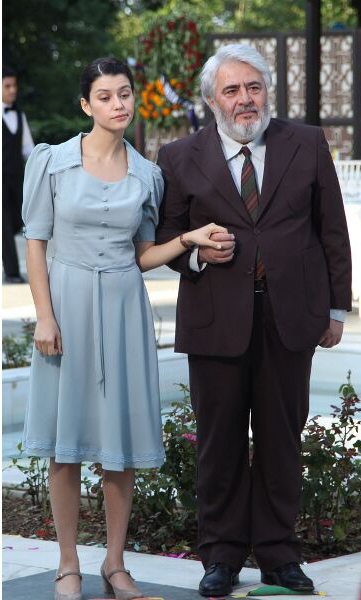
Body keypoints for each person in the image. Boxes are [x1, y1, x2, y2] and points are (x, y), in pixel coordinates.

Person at [21, 57, 231, 600]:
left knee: (121, 441)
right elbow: (36, 244)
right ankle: (68, 564)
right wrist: (45, 315)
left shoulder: (147, 175)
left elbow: (142, 255)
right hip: (66, 305)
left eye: (125, 94)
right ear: (86, 105)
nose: (118, 104)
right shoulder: (51, 163)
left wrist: (188, 240)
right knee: (65, 444)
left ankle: (115, 564)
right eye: (105, 96)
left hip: (123, 308)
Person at [156, 44, 352, 597]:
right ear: (211, 100)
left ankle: (278, 555)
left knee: (280, 441)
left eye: (254, 87)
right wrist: (196, 253)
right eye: (232, 90)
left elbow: (332, 229)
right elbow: (165, 239)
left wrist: (336, 309)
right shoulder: (178, 156)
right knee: (217, 444)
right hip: (215, 318)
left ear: (267, 91)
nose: (245, 99)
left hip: (290, 317)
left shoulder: (306, 143)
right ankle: (220, 557)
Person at [3, 65, 34, 283]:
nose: (12, 90)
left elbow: (28, 149)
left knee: (18, 220)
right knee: (3, 225)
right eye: (7, 86)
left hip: (16, 179)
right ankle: (12, 272)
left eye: (14, 85)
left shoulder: (19, 115)